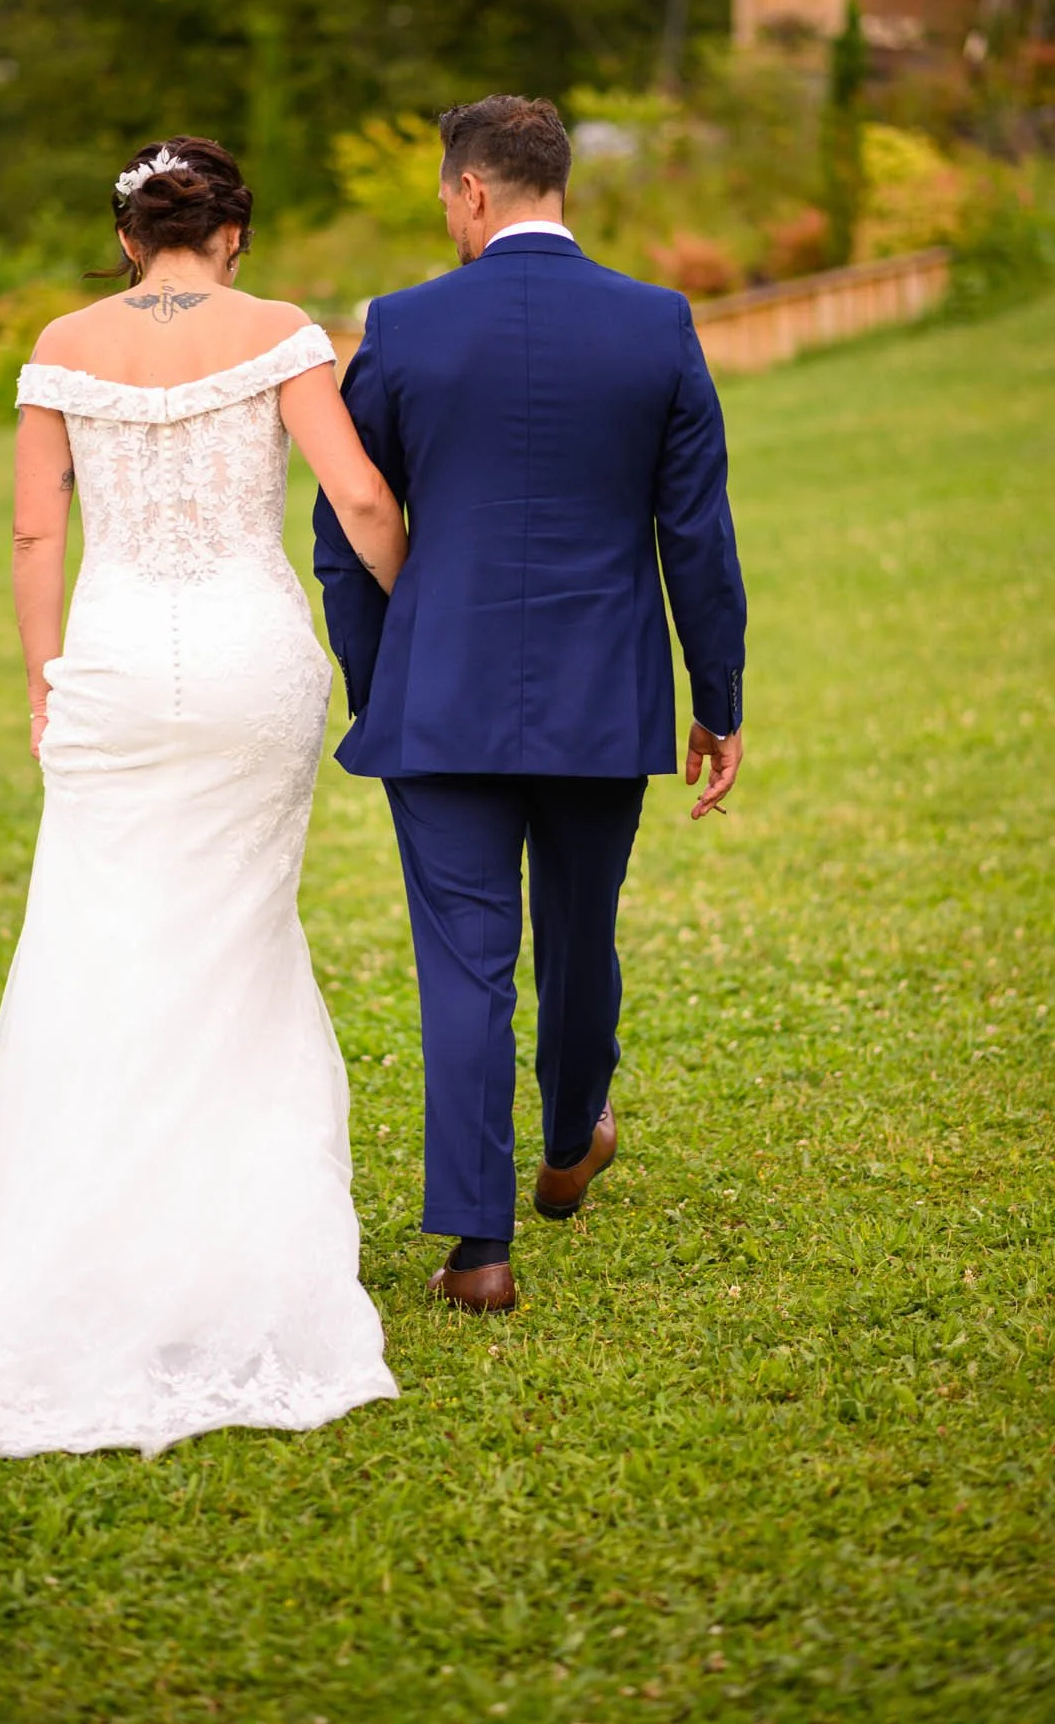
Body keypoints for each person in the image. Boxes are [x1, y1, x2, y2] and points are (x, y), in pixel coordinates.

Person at [0, 138, 405, 1459]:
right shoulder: (281, 330)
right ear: (233, 232)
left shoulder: (65, 339)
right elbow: (357, 491)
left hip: (119, 665)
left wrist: (45, 681)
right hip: (255, 666)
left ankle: (93, 1240)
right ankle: (230, 1256)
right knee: (239, 939)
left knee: (105, 936)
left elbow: (38, 532)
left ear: (132, 237)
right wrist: (417, 603)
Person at [314, 95, 746, 1314]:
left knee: (465, 970)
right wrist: (714, 697)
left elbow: (347, 536)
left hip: (437, 698)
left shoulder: (399, 328)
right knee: (579, 932)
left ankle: (477, 1249)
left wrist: (380, 677)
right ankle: (568, 1146)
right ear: (557, 187)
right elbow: (697, 533)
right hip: (601, 699)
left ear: (470, 195)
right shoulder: (656, 323)